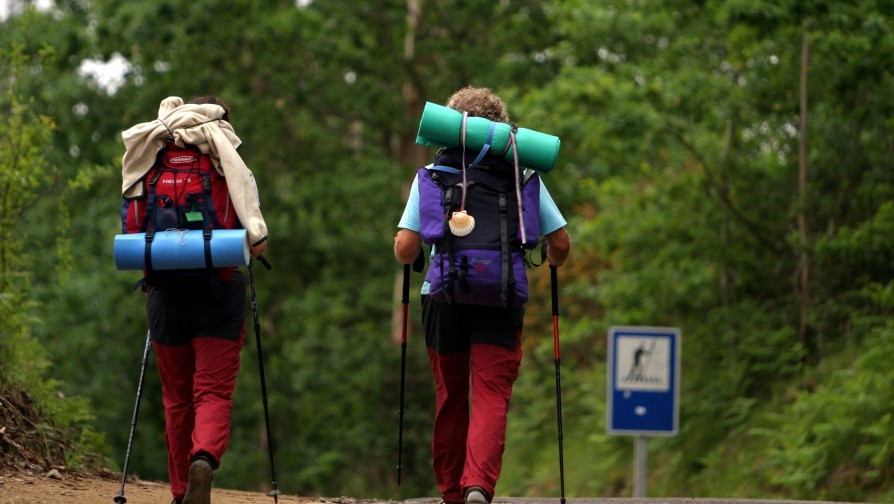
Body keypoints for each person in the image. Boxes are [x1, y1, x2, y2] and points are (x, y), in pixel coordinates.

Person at [393, 87, 571, 504]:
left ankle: (452, 493)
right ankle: (478, 484)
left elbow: (406, 247)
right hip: (502, 297)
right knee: (491, 394)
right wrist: (551, 260)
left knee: (451, 396)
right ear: (500, 128)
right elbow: (561, 243)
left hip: (443, 297)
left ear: (451, 128)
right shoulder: (520, 175)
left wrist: (412, 247)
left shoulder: (433, 175)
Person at [120, 95, 268, 504]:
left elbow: (131, 231)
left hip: (164, 295)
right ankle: (203, 456)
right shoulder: (227, 163)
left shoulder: (150, 157)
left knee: (176, 398)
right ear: (222, 125)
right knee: (213, 392)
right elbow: (257, 243)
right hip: (219, 292)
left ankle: (181, 491)